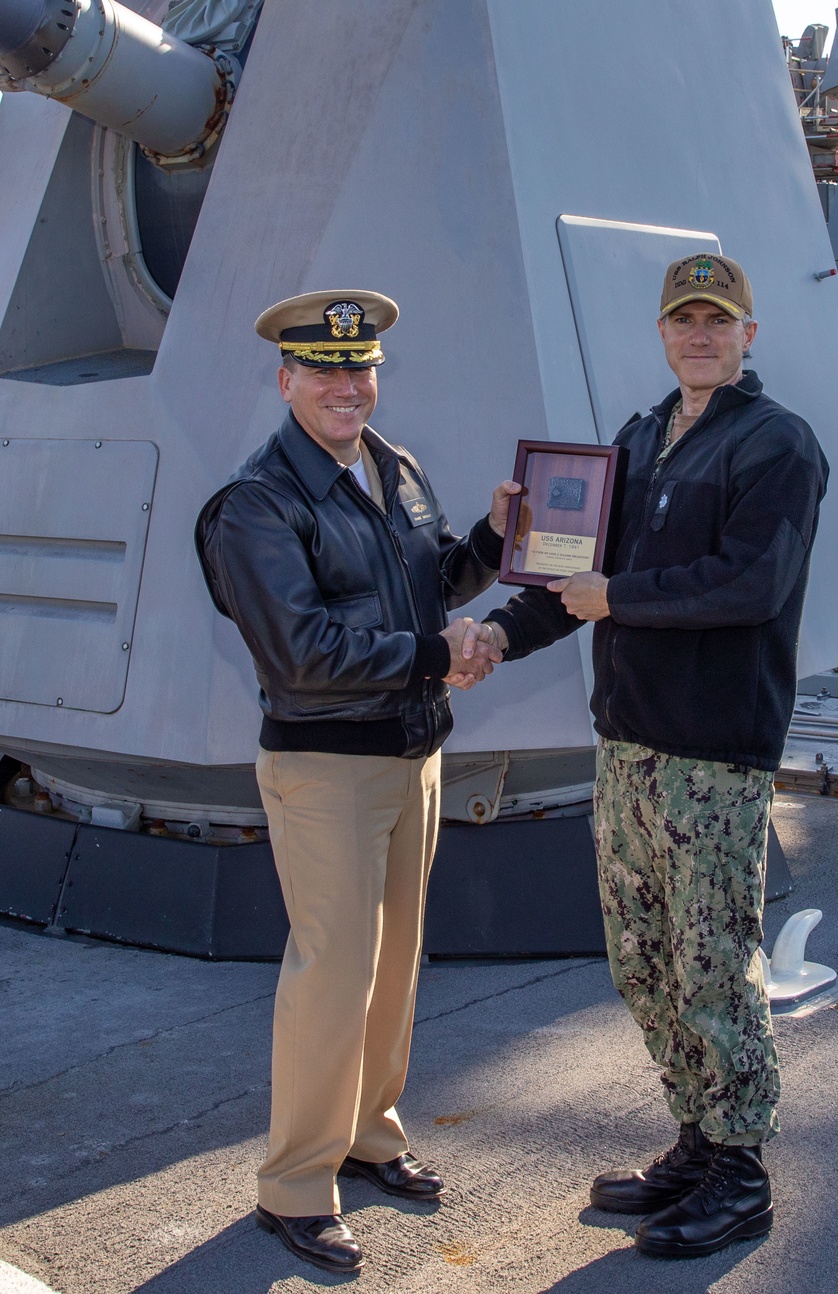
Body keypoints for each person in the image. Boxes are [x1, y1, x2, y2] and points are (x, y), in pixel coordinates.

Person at [475, 253, 829, 1259]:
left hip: (713, 753)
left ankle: (742, 1171)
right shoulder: (639, 439)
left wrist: (616, 598)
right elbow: (571, 574)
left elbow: (748, 583)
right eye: (685, 319)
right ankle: (696, 1139)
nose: (700, 334)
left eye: (719, 320)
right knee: (644, 964)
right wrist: (499, 631)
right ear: (664, 332)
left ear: (748, 334)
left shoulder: (776, 446)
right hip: (627, 743)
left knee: (714, 964)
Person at [195, 290, 515, 1275]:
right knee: (332, 973)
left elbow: (428, 582)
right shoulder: (257, 504)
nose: (345, 385)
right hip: (325, 766)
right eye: (323, 370)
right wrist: (438, 652)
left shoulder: (393, 466)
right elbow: (302, 652)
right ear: (285, 379)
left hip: (411, 755)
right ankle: (295, 1184)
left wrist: (496, 546)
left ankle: (371, 1134)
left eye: (359, 367)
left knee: (392, 964)